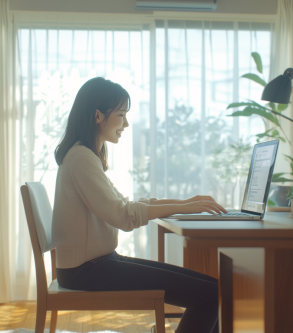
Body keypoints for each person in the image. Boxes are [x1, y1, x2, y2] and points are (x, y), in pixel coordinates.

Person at [53, 77, 227, 333]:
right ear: (98, 116)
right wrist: (183, 207)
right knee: (211, 294)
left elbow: (124, 204)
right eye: (121, 114)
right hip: (88, 270)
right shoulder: (81, 158)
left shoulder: (86, 155)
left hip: (95, 265)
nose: (126, 123)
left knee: (216, 290)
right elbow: (124, 216)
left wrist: (186, 202)